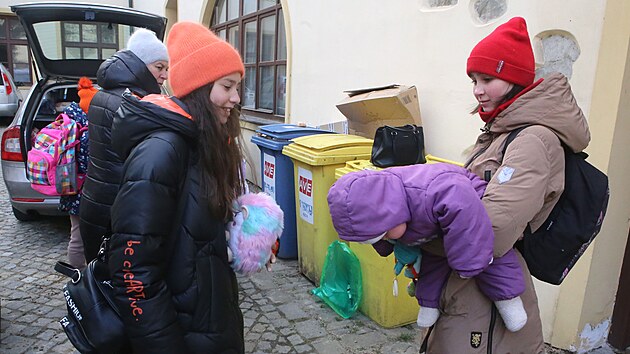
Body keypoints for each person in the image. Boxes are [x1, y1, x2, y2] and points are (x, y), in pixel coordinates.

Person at [420, 17, 591, 353]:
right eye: (473, 80)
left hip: (487, 304)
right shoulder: (500, 131)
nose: (477, 90)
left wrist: (418, 232)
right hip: (467, 288)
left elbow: (492, 231)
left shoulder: (533, 140)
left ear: (514, 79)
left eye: (487, 79)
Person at [107, 22, 246, 353]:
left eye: (238, 87)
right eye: (227, 86)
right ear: (199, 88)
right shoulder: (161, 153)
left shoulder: (204, 142)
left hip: (207, 322)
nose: (236, 98)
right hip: (181, 335)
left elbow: (196, 233)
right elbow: (133, 272)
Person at [327, 163, 527, 332]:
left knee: (489, 253)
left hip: (472, 205)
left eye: (386, 233)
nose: (387, 238)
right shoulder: (380, 204)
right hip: (429, 226)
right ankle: (428, 304)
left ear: (392, 211)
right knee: (431, 262)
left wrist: (469, 262)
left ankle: (509, 301)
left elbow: (466, 214)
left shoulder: (436, 191)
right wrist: (387, 244)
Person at [79, 28, 169, 262]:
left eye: (166, 68)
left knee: (99, 271)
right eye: (159, 67)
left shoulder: (103, 95)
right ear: (140, 64)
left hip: (95, 197)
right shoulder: (131, 103)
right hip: (116, 206)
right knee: (120, 281)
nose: (165, 75)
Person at [59, 77, 97, 270]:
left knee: (76, 232)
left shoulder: (68, 123)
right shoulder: (86, 130)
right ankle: (79, 273)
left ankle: (77, 271)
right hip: (84, 191)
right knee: (82, 235)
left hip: (69, 185)